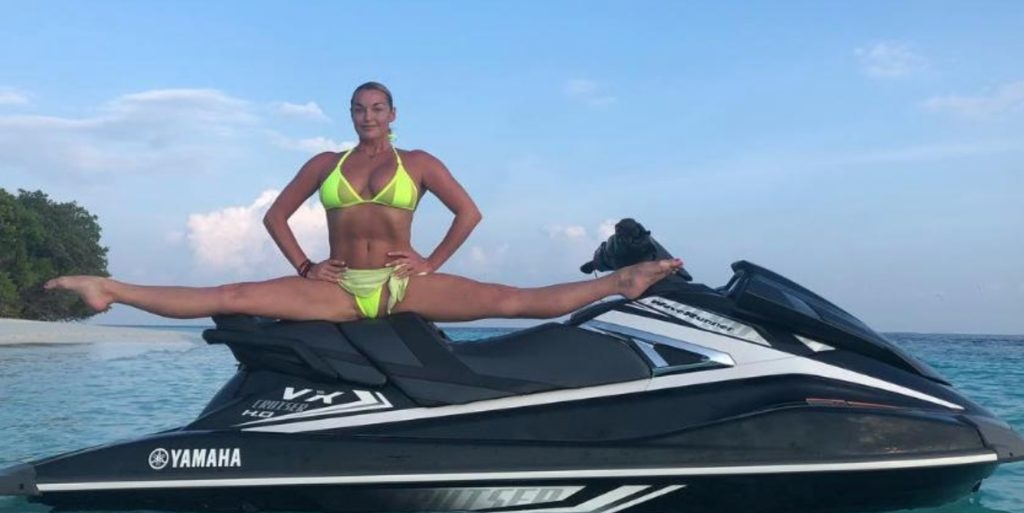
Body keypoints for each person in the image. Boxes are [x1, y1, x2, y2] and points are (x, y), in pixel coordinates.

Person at [46, 82, 681, 323]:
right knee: (232, 294)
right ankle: (109, 289)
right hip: (341, 287)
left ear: (393, 114)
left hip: (403, 284)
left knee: (511, 300)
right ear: (350, 114)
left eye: (377, 109)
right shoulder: (326, 164)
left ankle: (620, 281)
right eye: (359, 109)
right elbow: (274, 216)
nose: (368, 117)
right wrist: (304, 265)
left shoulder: (419, 163)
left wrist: (430, 261)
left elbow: (469, 213)